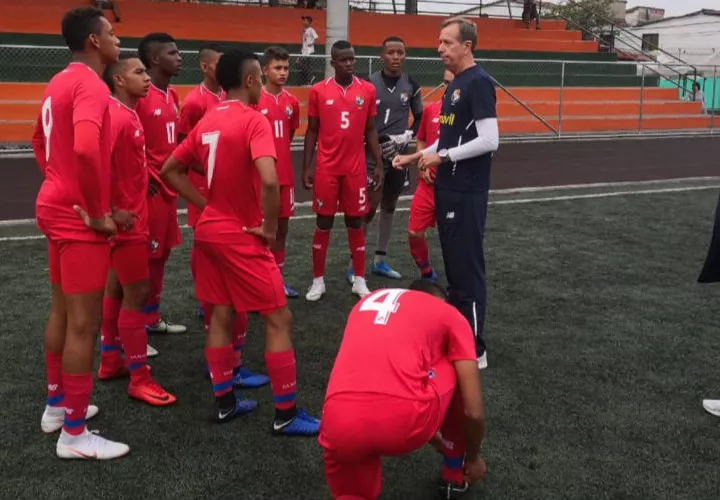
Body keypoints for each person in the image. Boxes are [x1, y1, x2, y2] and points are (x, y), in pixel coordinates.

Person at [160, 49, 321, 434]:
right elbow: (269, 178)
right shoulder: (253, 120)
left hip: (209, 232)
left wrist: (206, 203)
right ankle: (285, 414)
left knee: (220, 313)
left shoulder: (209, 119)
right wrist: (267, 227)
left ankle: (224, 403)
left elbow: (170, 168)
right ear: (251, 80)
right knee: (279, 317)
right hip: (240, 235)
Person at [32, 6, 129, 459]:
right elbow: (88, 149)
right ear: (94, 41)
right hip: (77, 218)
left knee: (63, 313)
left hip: (53, 206)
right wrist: (96, 211)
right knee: (84, 324)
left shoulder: (57, 81)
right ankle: (73, 434)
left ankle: (57, 407)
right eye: (111, 33)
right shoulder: (89, 83)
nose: (117, 41)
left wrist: (56, 180)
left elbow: (38, 140)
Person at [394, 17, 500, 370]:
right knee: (454, 269)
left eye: (446, 42)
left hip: (466, 191)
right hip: (448, 188)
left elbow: (490, 140)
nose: (439, 49)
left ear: (466, 46)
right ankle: (459, 338)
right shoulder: (456, 85)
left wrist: (444, 156)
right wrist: (418, 154)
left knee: (467, 270)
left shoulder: (479, 83)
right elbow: (449, 139)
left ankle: (475, 348)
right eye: (439, 42)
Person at [318, 281, 487, 500]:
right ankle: (454, 472)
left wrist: (434, 440)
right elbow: (473, 411)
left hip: (337, 422)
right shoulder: (449, 313)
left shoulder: (367, 301)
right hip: (404, 420)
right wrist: (473, 457)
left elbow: (384, 382)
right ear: (441, 301)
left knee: (352, 493)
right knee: (455, 362)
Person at [178, 42, 269, 389]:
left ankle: (225, 376)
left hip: (216, 213)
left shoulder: (216, 110)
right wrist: (205, 202)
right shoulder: (204, 106)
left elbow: (175, 163)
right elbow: (182, 160)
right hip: (227, 215)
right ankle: (284, 407)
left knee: (222, 303)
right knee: (272, 313)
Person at [93, 54, 176, 406]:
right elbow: (95, 163)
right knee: (137, 294)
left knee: (116, 288)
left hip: (133, 215)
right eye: (137, 72)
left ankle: (111, 359)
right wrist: (112, 210)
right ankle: (140, 378)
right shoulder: (116, 116)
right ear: (118, 81)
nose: (145, 78)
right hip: (127, 222)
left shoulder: (128, 114)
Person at [302, 40, 384, 302]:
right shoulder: (318, 91)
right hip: (327, 169)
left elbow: (371, 129)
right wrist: (307, 166)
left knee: (355, 221)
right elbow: (312, 130)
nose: (349, 64)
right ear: (333, 62)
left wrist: (379, 163)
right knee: (323, 221)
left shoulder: (367, 90)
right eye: (343, 59)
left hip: (355, 169)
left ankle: (359, 279)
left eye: (352, 59)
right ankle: (318, 281)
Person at [345, 36, 424, 285]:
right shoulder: (368, 83)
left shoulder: (411, 83)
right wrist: (378, 140)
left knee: (390, 203)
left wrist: (409, 135)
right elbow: (360, 122)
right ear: (382, 56)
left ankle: (380, 259)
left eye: (400, 52)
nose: (396, 57)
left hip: (399, 156)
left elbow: (419, 116)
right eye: (391, 52)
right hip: (373, 155)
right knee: (369, 207)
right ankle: (354, 263)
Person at [135, 32, 187, 336]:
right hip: (149, 190)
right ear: (155, 59)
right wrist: (144, 174)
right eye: (173, 52)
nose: (179, 57)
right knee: (144, 257)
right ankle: (131, 325)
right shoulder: (141, 96)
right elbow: (128, 141)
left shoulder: (173, 94)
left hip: (169, 189)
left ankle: (151, 318)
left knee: (162, 255)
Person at [258, 46, 301, 298]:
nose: (283, 72)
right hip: (262, 179)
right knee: (261, 230)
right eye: (277, 67)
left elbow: (290, 134)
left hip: (285, 176)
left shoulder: (292, 102)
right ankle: (259, 281)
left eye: (286, 68)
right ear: (264, 70)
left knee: (282, 230)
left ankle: (277, 280)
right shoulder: (255, 99)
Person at [408, 69, 454, 282]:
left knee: (453, 238)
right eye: (445, 82)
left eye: (452, 82)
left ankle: (457, 278)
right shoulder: (431, 110)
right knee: (414, 233)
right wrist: (422, 165)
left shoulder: (468, 114)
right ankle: (426, 271)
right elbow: (423, 140)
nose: (448, 87)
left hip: (453, 187)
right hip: (427, 186)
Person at [299, 15, 318, 85]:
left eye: (305, 20)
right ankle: (310, 78)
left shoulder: (311, 30)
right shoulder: (304, 30)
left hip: (309, 51)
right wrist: (301, 51)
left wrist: (311, 44)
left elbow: (316, 38)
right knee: (301, 65)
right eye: (303, 20)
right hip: (304, 52)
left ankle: (310, 79)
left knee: (308, 66)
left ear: (309, 22)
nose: (304, 22)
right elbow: (304, 41)